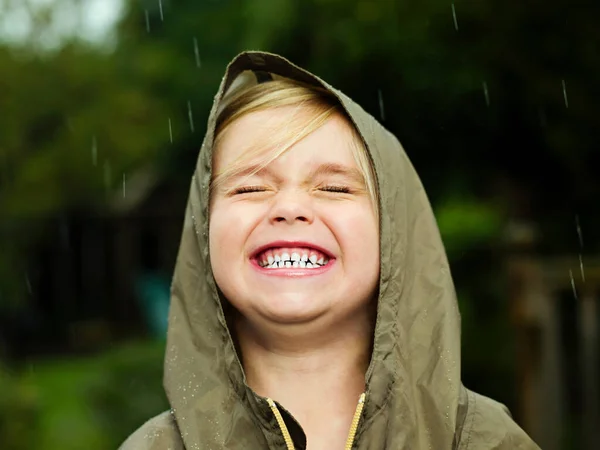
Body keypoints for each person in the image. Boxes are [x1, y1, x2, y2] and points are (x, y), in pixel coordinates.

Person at [120, 51, 540, 449]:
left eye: (334, 187)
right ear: (204, 229)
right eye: (249, 187)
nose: (289, 208)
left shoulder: (484, 440)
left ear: (393, 230)